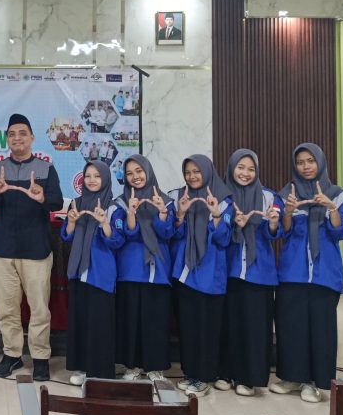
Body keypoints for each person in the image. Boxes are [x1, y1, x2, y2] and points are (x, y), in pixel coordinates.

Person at [271, 142, 343, 403]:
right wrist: (287, 212)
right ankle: (292, 377)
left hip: (324, 273)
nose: (306, 166)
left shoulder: (337, 194)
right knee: (291, 326)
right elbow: (281, 232)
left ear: (320, 162)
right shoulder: (287, 194)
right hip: (292, 272)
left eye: (310, 161)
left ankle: (314, 383)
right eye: (300, 162)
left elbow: (342, 231)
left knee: (321, 329)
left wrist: (331, 208)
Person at [0, 113, 64, 381]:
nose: (17, 138)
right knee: (6, 309)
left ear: (32, 138)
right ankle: (12, 355)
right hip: (4, 251)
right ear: (7, 139)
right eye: (12, 134)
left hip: (36, 251)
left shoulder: (45, 168)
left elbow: (56, 202)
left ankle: (40, 358)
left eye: (22, 133)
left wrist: (41, 197)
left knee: (39, 309)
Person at [169, 155, 234, 397]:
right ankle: (191, 374)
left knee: (207, 329)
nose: (192, 176)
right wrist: (181, 214)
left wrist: (215, 215)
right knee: (188, 328)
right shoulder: (181, 198)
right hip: (185, 273)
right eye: (188, 172)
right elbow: (172, 235)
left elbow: (224, 239)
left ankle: (205, 377)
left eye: (197, 171)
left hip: (210, 275)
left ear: (207, 171)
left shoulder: (224, 201)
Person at [219, 149, 283, 396]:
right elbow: (217, 234)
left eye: (251, 169)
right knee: (230, 325)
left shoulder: (269, 197)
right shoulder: (222, 195)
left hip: (259, 272)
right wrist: (232, 224)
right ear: (231, 168)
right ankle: (226, 372)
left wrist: (273, 223)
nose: (245, 173)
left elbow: (272, 234)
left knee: (256, 327)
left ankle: (249, 378)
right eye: (240, 167)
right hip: (229, 270)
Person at [63, 161, 125, 384]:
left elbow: (118, 241)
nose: (91, 180)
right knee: (80, 321)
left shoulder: (114, 208)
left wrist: (104, 223)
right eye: (88, 176)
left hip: (100, 275)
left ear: (106, 179)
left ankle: (99, 373)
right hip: (78, 272)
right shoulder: (76, 203)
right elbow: (67, 236)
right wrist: (71, 222)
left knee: (99, 324)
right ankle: (82, 368)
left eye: (97, 176)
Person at [114, 155, 174, 383]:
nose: (135, 177)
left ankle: (155, 367)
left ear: (148, 171)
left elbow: (167, 233)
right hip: (130, 269)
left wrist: (162, 213)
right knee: (131, 321)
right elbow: (127, 234)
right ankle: (132, 366)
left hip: (157, 270)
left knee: (155, 321)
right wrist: (131, 213)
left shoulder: (166, 201)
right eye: (129, 173)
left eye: (139, 171)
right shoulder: (120, 203)